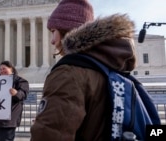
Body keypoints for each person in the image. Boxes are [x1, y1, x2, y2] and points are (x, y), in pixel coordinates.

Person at [30, 0, 136, 141]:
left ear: (65, 31)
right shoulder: (110, 67)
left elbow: (50, 134)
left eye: (53, 31)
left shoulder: (68, 73)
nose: (52, 40)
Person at [0, 61, 29, 141]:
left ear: (11, 69)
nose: (2, 71)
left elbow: (23, 94)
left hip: (7, 120)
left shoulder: (19, 81)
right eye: (0, 69)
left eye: (4, 68)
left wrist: (16, 93)